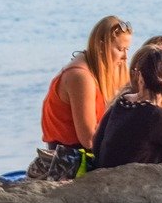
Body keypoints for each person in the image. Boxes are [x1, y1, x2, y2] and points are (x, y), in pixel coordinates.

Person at [91, 48, 162, 169]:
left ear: (140, 76)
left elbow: (97, 145)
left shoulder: (122, 102)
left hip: (103, 175)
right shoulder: (157, 116)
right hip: (132, 183)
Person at [39, 16, 132, 151]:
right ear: (101, 46)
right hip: (71, 156)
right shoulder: (80, 77)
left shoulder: (108, 67)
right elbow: (88, 140)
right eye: (120, 49)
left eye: (127, 49)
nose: (125, 56)